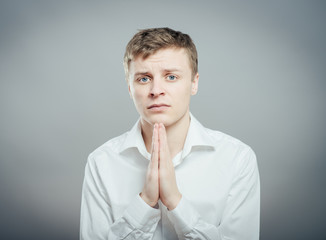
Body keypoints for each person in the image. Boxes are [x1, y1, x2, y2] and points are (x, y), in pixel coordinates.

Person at [80, 27, 260, 240]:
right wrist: (145, 202)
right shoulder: (101, 163)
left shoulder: (237, 159)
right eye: (144, 79)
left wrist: (175, 202)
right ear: (130, 88)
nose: (156, 90)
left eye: (171, 77)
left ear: (194, 83)